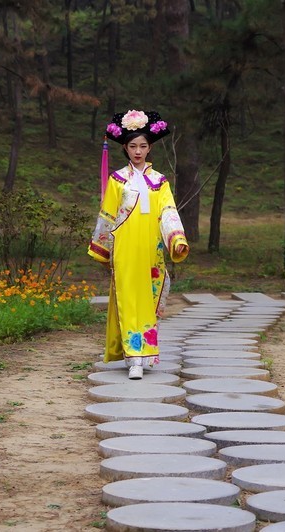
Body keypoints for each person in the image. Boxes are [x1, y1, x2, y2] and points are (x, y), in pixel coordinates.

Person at [88, 109, 189, 379]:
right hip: (125, 248)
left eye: (143, 146)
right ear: (125, 147)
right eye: (133, 146)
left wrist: (176, 239)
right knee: (129, 299)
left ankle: (145, 353)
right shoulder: (117, 180)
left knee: (148, 298)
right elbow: (107, 216)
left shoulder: (159, 182)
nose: (138, 151)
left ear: (150, 148)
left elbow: (168, 211)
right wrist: (102, 248)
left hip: (151, 249)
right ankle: (134, 357)